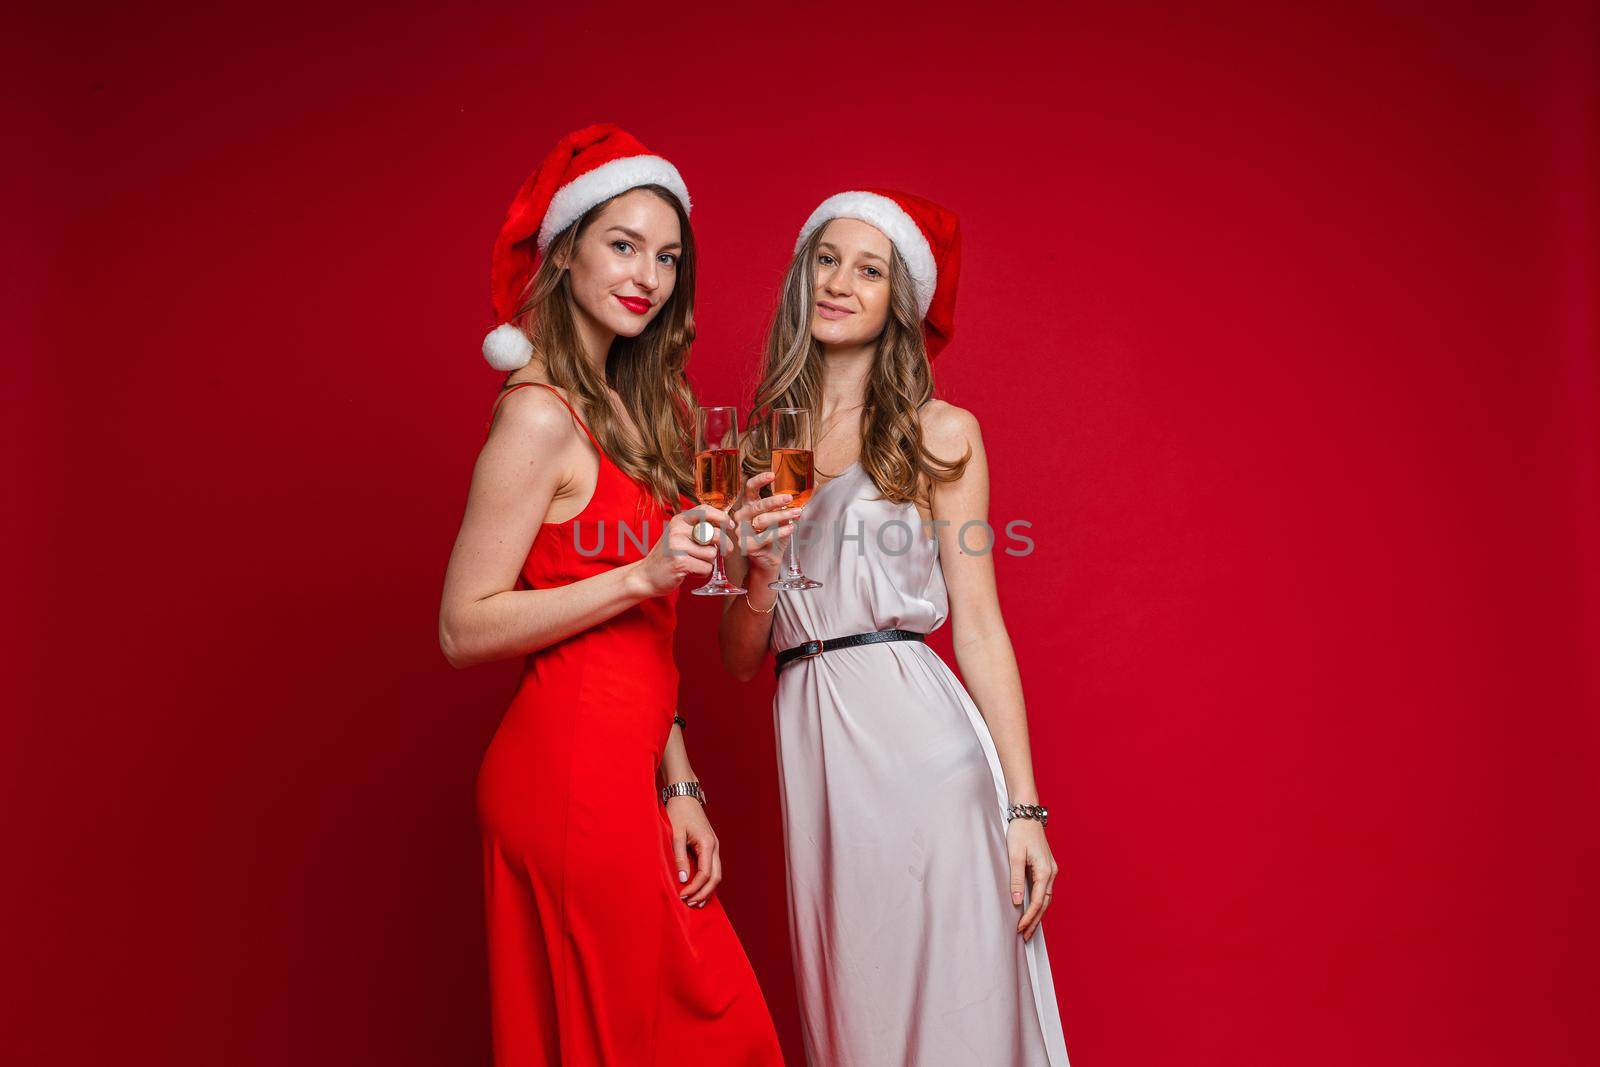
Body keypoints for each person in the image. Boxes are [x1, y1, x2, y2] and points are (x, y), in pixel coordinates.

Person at [438, 123, 783, 1067]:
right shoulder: (539, 414)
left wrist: (677, 780)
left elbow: (649, 629)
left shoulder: (646, 407)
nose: (650, 276)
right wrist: (638, 570)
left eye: (668, 256)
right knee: (671, 1035)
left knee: (656, 1035)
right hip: (564, 779)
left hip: (626, 770)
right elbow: (462, 627)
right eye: (623, 245)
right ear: (566, 252)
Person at [719, 189, 1070, 1065]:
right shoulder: (762, 449)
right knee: (853, 1017)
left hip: (925, 754)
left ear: (898, 303)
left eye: (868, 269)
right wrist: (759, 570)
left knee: (956, 1007)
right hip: (817, 754)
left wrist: (1024, 807)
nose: (840, 282)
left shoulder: (937, 433)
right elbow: (736, 657)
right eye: (826, 260)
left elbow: (981, 626)